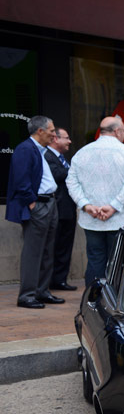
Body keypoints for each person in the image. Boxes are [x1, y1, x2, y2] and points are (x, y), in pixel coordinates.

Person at [66, 116, 124, 286]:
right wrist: (114, 206)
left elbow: (71, 181)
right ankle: (115, 301)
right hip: (121, 218)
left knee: (95, 259)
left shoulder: (82, 153)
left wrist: (86, 205)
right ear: (117, 131)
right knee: (119, 262)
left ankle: (93, 301)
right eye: (123, 131)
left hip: (92, 218)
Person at [5, 115, 63, 308]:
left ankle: (42, 291)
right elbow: (21, 181)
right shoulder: (25, 149)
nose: (54, 135)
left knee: (48, 250)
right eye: (52, 131)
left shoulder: (41, 150)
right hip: (38, 205)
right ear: (40, 131)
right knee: (33, 251)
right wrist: (32, 203)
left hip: (50, 203)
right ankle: (27, 295)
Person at [44, 127, 78, 291]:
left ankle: (60, 280)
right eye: (67, 138)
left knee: (65, 246)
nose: (69, 141)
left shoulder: (63, 159)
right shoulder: (46, 156)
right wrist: (76, 170)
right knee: (53, 247)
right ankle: (49, 281)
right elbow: (56, 175)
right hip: (56, 209)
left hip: (68, 209)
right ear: (56, 139)